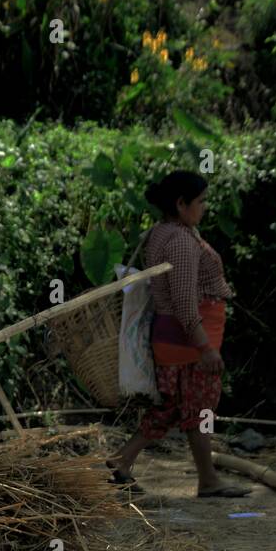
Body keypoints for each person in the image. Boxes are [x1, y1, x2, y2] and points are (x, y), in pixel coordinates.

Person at [106, 170, 251, 498]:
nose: (204, 207)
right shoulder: (182, 242)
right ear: (181, 204)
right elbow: (186, 302)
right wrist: (205, 347)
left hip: (173, 338)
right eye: (200, 202)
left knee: (172, 407)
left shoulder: (163, 232)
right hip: (189, 341)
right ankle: (209, 481)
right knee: (200, 410)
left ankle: (122, 460)